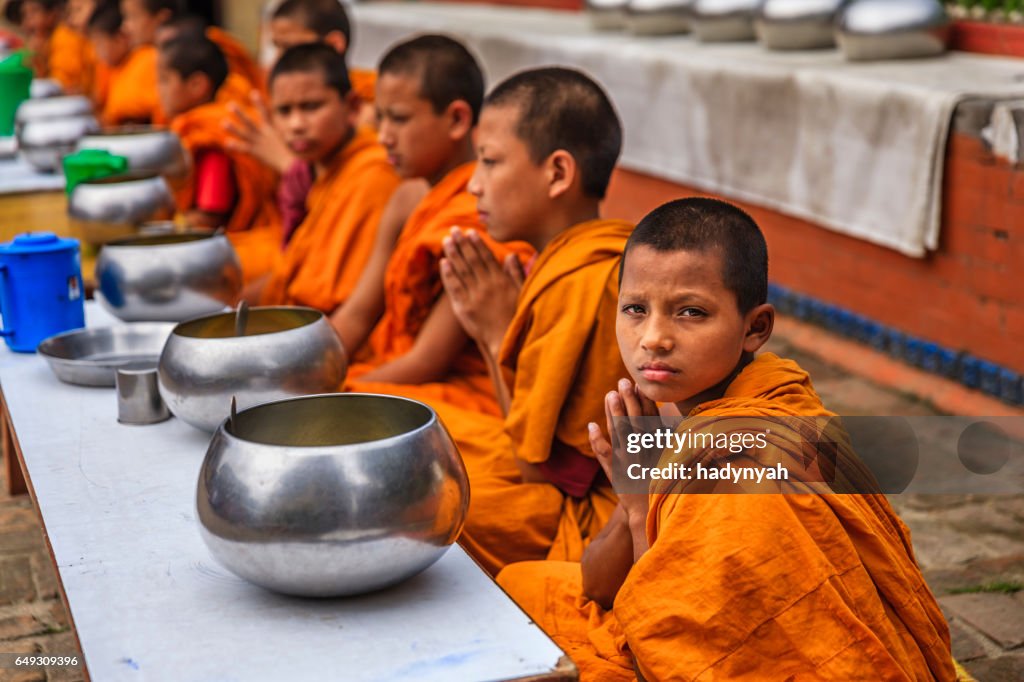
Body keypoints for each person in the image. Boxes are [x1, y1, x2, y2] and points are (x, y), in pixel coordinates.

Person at [496, 197, 955, 681]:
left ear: (755, 328)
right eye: (635, 308)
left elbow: (667, 647)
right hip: (688, 632)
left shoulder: (744, 458)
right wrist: (636, 495)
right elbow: (598, 583)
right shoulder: (687, 429)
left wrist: (638, 510)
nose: (652, 337)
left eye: (690, 313)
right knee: (518, 583)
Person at [433, 67, 633, 574]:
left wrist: (495, 330)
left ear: (558, 173)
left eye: (491, 161)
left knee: (431, 512)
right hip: (572, 481)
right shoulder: (565, 265)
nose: (474, 184)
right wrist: (487, 332)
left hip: (610, 511)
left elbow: (547, 473)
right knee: (426, 438)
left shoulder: (585, 282)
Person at [335, 34, 530, 417]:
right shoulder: (407, 197)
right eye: (381, 116)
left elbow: (428, 359)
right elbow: (357, 313)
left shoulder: (484, 213)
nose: (383, 136)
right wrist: (301, 369)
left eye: (400, 118)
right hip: (396, 369)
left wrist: (332, 394)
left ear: (457, 119)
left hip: (458, 387)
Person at [241, 43, 401, 313]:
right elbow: (293, 267)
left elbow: (344, 300)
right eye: (284, 111)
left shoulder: (373, 175)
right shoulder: (317, 170)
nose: (296, 125)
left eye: (311, 107)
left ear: (352, 107)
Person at [225, 0, 376, 244]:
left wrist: (284, 161)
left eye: (288, 47)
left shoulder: (366, 114)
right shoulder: (280, 99)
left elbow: (347, 199)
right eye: (276, 48)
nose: (277, 62)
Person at [157, 35, 280, 280]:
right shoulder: (196, 128)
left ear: (197, 85)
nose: (158, 91)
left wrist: (166, 227)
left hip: (240, 245)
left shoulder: (212, 138)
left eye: (164, 80)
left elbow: (209, 216)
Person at [86, 1, 160, 125]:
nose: (126, 27)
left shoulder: (149, 58)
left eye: (99, 44)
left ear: (120, 38)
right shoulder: (116, 67)